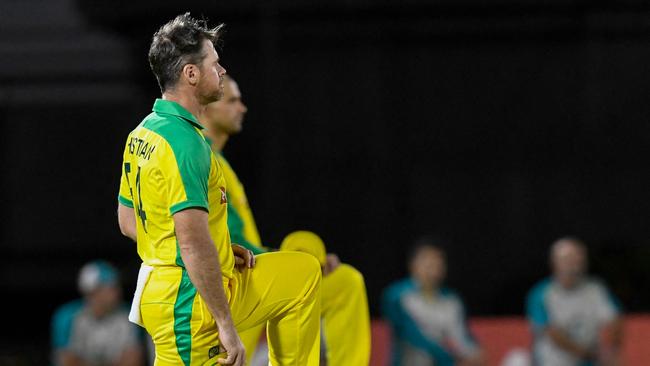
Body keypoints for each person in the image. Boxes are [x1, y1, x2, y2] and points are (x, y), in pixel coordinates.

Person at [116, 13, 321, 366]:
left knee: (301, 275)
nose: (222, 70)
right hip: (186, 303)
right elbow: (192, 243)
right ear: (191, 74)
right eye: (214, 62)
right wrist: (226, 325)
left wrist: (221, 250)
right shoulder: (186, 145)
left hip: (168, 289)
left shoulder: (143, 133)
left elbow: (128, 222)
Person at [199, 75, 372, 365]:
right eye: (232, 101)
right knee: (338, 281)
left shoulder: (217, 158)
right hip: (229, 284)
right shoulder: (203, 157)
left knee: (342, 284)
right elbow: (223, 237)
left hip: (245, 275)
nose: (242, 108)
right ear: (207, 109)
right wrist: (294, 258)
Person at [382, 239, 484, 366]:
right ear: (413, 264)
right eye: (427, 262)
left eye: (438, 262)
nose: (433, 267)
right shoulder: (397, 296)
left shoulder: (452, 300)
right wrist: (449, 360)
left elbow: (461, 336)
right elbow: (413, 336)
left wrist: (473, 354)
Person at [526, 237, 623, 366]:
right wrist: (588, 354)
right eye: (567, 260)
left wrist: (611, 349)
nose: (574, 265)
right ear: (554, 263)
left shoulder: (596, 289)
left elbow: (614, 319)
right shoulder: (541, 294)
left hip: (590, 361)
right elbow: (551, 334)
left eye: (578, 259)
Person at [51, 260, 143, 366]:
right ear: (93, 291)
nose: (117, 291)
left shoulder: (128, 316)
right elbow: (66, 361)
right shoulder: (67, 316)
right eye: (110, 287)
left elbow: (133, 360)